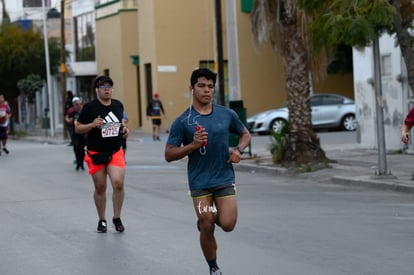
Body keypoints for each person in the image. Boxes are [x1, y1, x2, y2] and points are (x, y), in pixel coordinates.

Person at [164, 68, 251, 275]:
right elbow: (168, 154)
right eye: (202, 86)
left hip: (224, 177)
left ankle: (207, 219)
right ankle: (213, 267)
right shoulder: (183, 121)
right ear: (191, 88)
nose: (207, 91)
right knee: (207, 223)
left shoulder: (226, 114)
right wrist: (192, 146)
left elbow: (245, 134)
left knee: (228, 224)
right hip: (199, 182)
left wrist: (239, 150)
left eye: (210, 87)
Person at [75, 75, 130, 233]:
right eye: (103, 87)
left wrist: (125, 129)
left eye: (109, 87)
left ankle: (117, 217)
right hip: (95, 153)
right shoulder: (90, 108)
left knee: (118, 183)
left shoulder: (118, 105)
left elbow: (121, 123)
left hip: (115, 151)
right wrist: (92, 124)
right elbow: (78, 128)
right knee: (100, 187)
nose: (107, 90)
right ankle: (102, 219)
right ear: (97, 90)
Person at [65, 97, 86, 171]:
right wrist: (69, 121)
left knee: (82, 149)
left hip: (83, 134)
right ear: (74, 105)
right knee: (76, 148)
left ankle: (82, 163)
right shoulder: (73, 112)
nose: (79, 106)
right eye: (77, 104)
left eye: (80, 104)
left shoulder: (84, 112)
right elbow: (67, 118)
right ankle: (78, 163)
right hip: (75, 133)